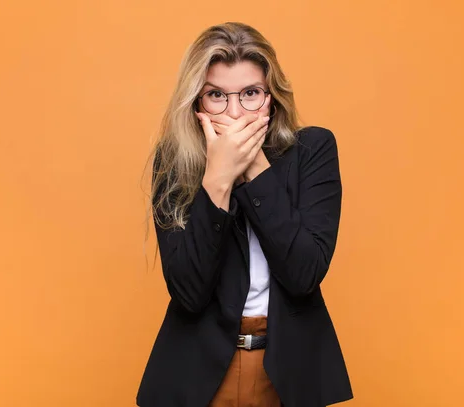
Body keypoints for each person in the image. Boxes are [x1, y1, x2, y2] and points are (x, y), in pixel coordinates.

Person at [136, 22, 353, 407]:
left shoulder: (313, 150)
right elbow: (188, 292)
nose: (235, 112)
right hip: (199, 371)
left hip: (288, 370)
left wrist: (253, 165)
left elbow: (304, 274)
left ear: (272, 95)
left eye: (250, 93)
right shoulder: (174, 163)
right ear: (197, 102)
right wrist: (217, 180)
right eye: (217, 95)